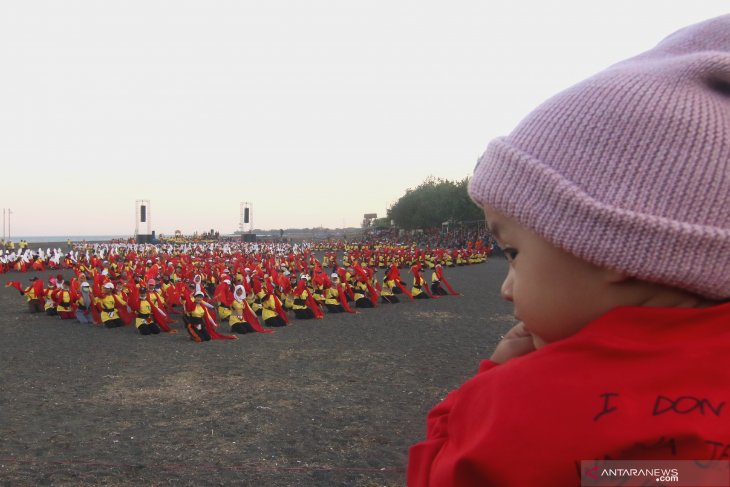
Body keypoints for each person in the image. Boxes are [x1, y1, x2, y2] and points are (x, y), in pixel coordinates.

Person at [408, 16, 730, 487]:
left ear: (614, 251)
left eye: (514, 252)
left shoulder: (522, 403)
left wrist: (477, 393)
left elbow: (440, 476)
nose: (506, 286)